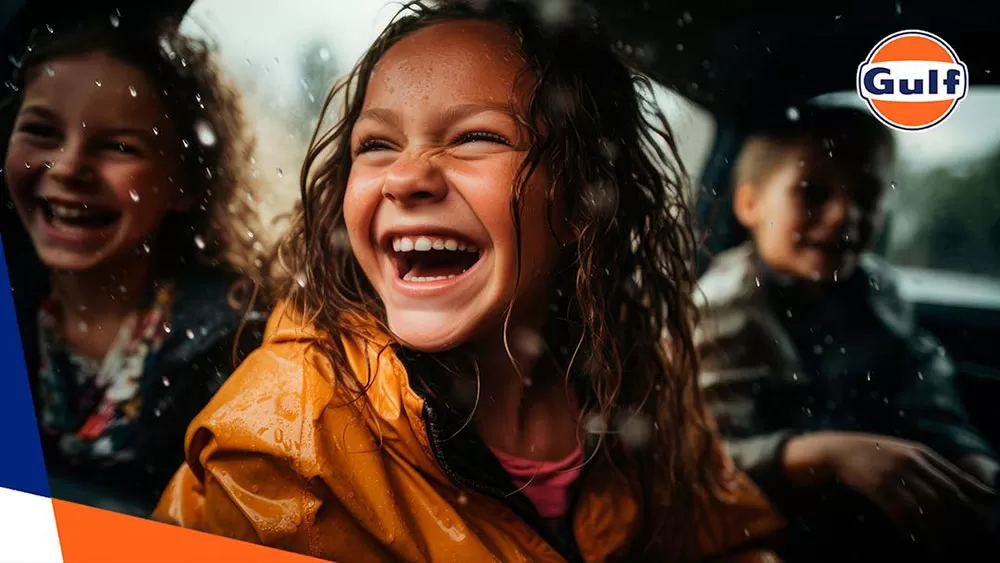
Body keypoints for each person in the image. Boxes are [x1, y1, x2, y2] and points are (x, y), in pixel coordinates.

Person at [153, 1, 785, 561]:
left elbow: (721, 539)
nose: (406, 178)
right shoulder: (282, 442)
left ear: (581, 201)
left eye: (476, 137)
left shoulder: (635, 374)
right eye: (375, 145)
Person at [695, 105, 998, 560]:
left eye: (866, 195)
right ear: (749, 205)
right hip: (769, 527)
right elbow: (707, 461)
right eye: (812, 193)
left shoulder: (878, 290)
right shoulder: (722, 308)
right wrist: (826, 454)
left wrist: (969, 459)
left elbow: (924, 394)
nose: (843, 215)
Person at [2, 17, 266, 516]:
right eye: (40, 131)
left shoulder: (236, 350)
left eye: (120, 147)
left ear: (186, 183)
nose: (68, 167)